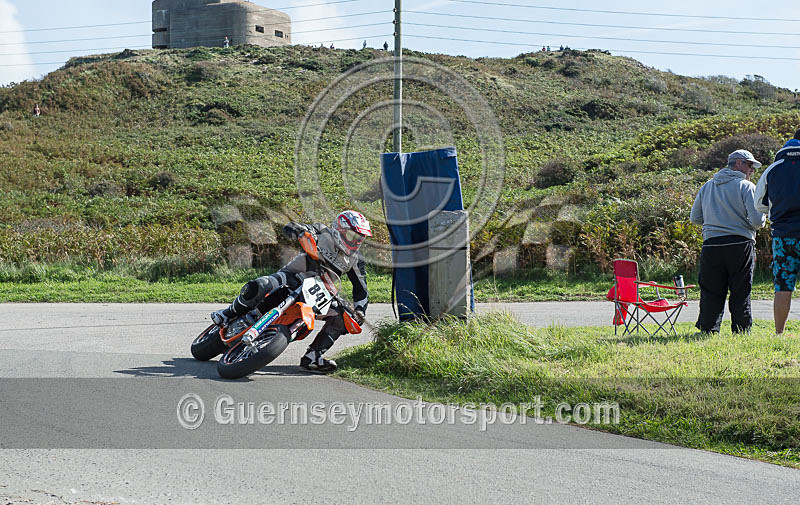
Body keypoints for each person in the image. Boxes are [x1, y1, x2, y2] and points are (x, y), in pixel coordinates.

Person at [211, 211, 372, 372]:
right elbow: (294, 227)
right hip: (293, 276)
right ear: (339, 230)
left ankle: (313, 356)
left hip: (320, 293)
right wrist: (299, 230)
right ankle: (228, 313)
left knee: (341, 318)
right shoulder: (323, 232)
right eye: (353, 236)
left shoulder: (355, 259)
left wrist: (359, 311)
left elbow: (361, 290)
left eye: (360, 238)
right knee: (261, 285)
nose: (356, 242)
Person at [690, 149, 766, 333]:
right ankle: (741, 330)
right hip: (740, 245)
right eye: (750, 165)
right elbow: (757, 221)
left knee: (711, 290)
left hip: (711, 245)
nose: (752, 171)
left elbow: (695, 218)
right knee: (740, 289)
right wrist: (755, 222)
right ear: (738, 163)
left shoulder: (707, 186)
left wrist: (715, 221)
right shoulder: (746, 186)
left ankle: (708, 329)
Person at [755, 130, 800, 336]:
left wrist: (777, 211)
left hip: (784, 235)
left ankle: (779, 333)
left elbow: (759, 204)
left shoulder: (773, 168)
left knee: (783, 286)